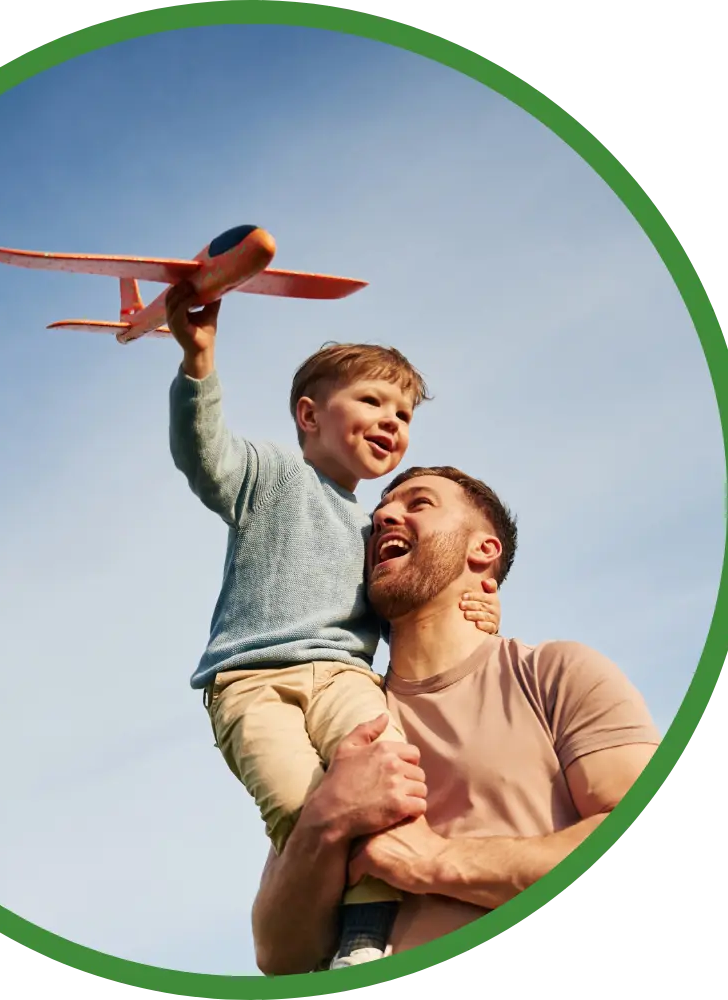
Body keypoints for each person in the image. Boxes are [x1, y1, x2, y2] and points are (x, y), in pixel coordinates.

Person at [164, 283, 502, 969]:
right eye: (374, 401)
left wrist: (482, 601)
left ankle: (365, 938)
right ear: (310, 415)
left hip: (347, 678)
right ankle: (315, 935)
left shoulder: (380, 526)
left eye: (403, 413)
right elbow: (203, 456)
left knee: (394, 787)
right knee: (304, 807)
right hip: (252, 684)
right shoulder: (270, 473)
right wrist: (198, 363)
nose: (392, 420)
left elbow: (411, 604)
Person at [250, 465, 662, 975]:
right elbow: (277, 954)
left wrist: (431, 862)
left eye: (418, 503)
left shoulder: (554, 673)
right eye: (381, 510)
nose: (383, 515)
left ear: (483, 551)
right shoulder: (336, 713)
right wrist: (326, 819)